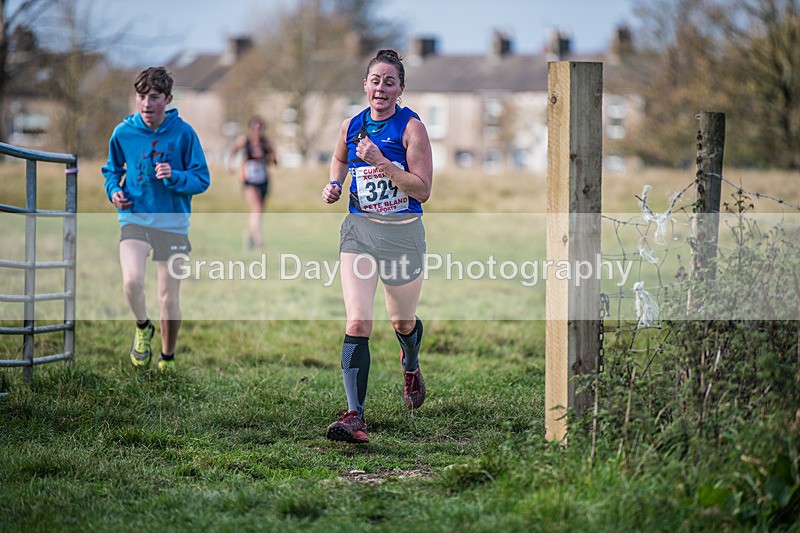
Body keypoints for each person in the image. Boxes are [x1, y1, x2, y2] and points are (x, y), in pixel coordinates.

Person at [321, 50, 433, 444]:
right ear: (365, 85)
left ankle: (411, 363)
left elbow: (423, 189)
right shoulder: (351, 125)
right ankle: (355, 415)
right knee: (357, 322)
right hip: (360, 232)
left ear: (400, 88)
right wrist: (335, 183)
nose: (381, 88)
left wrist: (382, 162)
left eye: (390, 81)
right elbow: (339, 159)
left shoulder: (411, 128)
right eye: (375, 80)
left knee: (402, 322)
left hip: (403, 235)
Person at [102, 66, 210, 372]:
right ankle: (142, 326)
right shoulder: (123, 133)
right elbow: (112, 171)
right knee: (132, 281)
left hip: (173, 223)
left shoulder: (184, 134)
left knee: (167, 297)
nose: (147, 103)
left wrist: (175, 176)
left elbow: (202, 179)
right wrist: (114, 191)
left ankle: (167, 357)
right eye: (141, 96)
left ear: (168, 98)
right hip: (134, 217)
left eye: (154, 97)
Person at [226, 116, 277, 250]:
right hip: (248, 179)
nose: (257, 131)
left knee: (259, 210)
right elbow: (233, 149)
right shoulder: (245, 141)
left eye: (260, 128)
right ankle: (258, 241)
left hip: (263, 179)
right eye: (255, 128)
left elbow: (275, 159)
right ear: (250, 128)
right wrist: (230, 164)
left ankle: (249, 235)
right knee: (256, 208)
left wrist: (268, 158)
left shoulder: (266, 143)